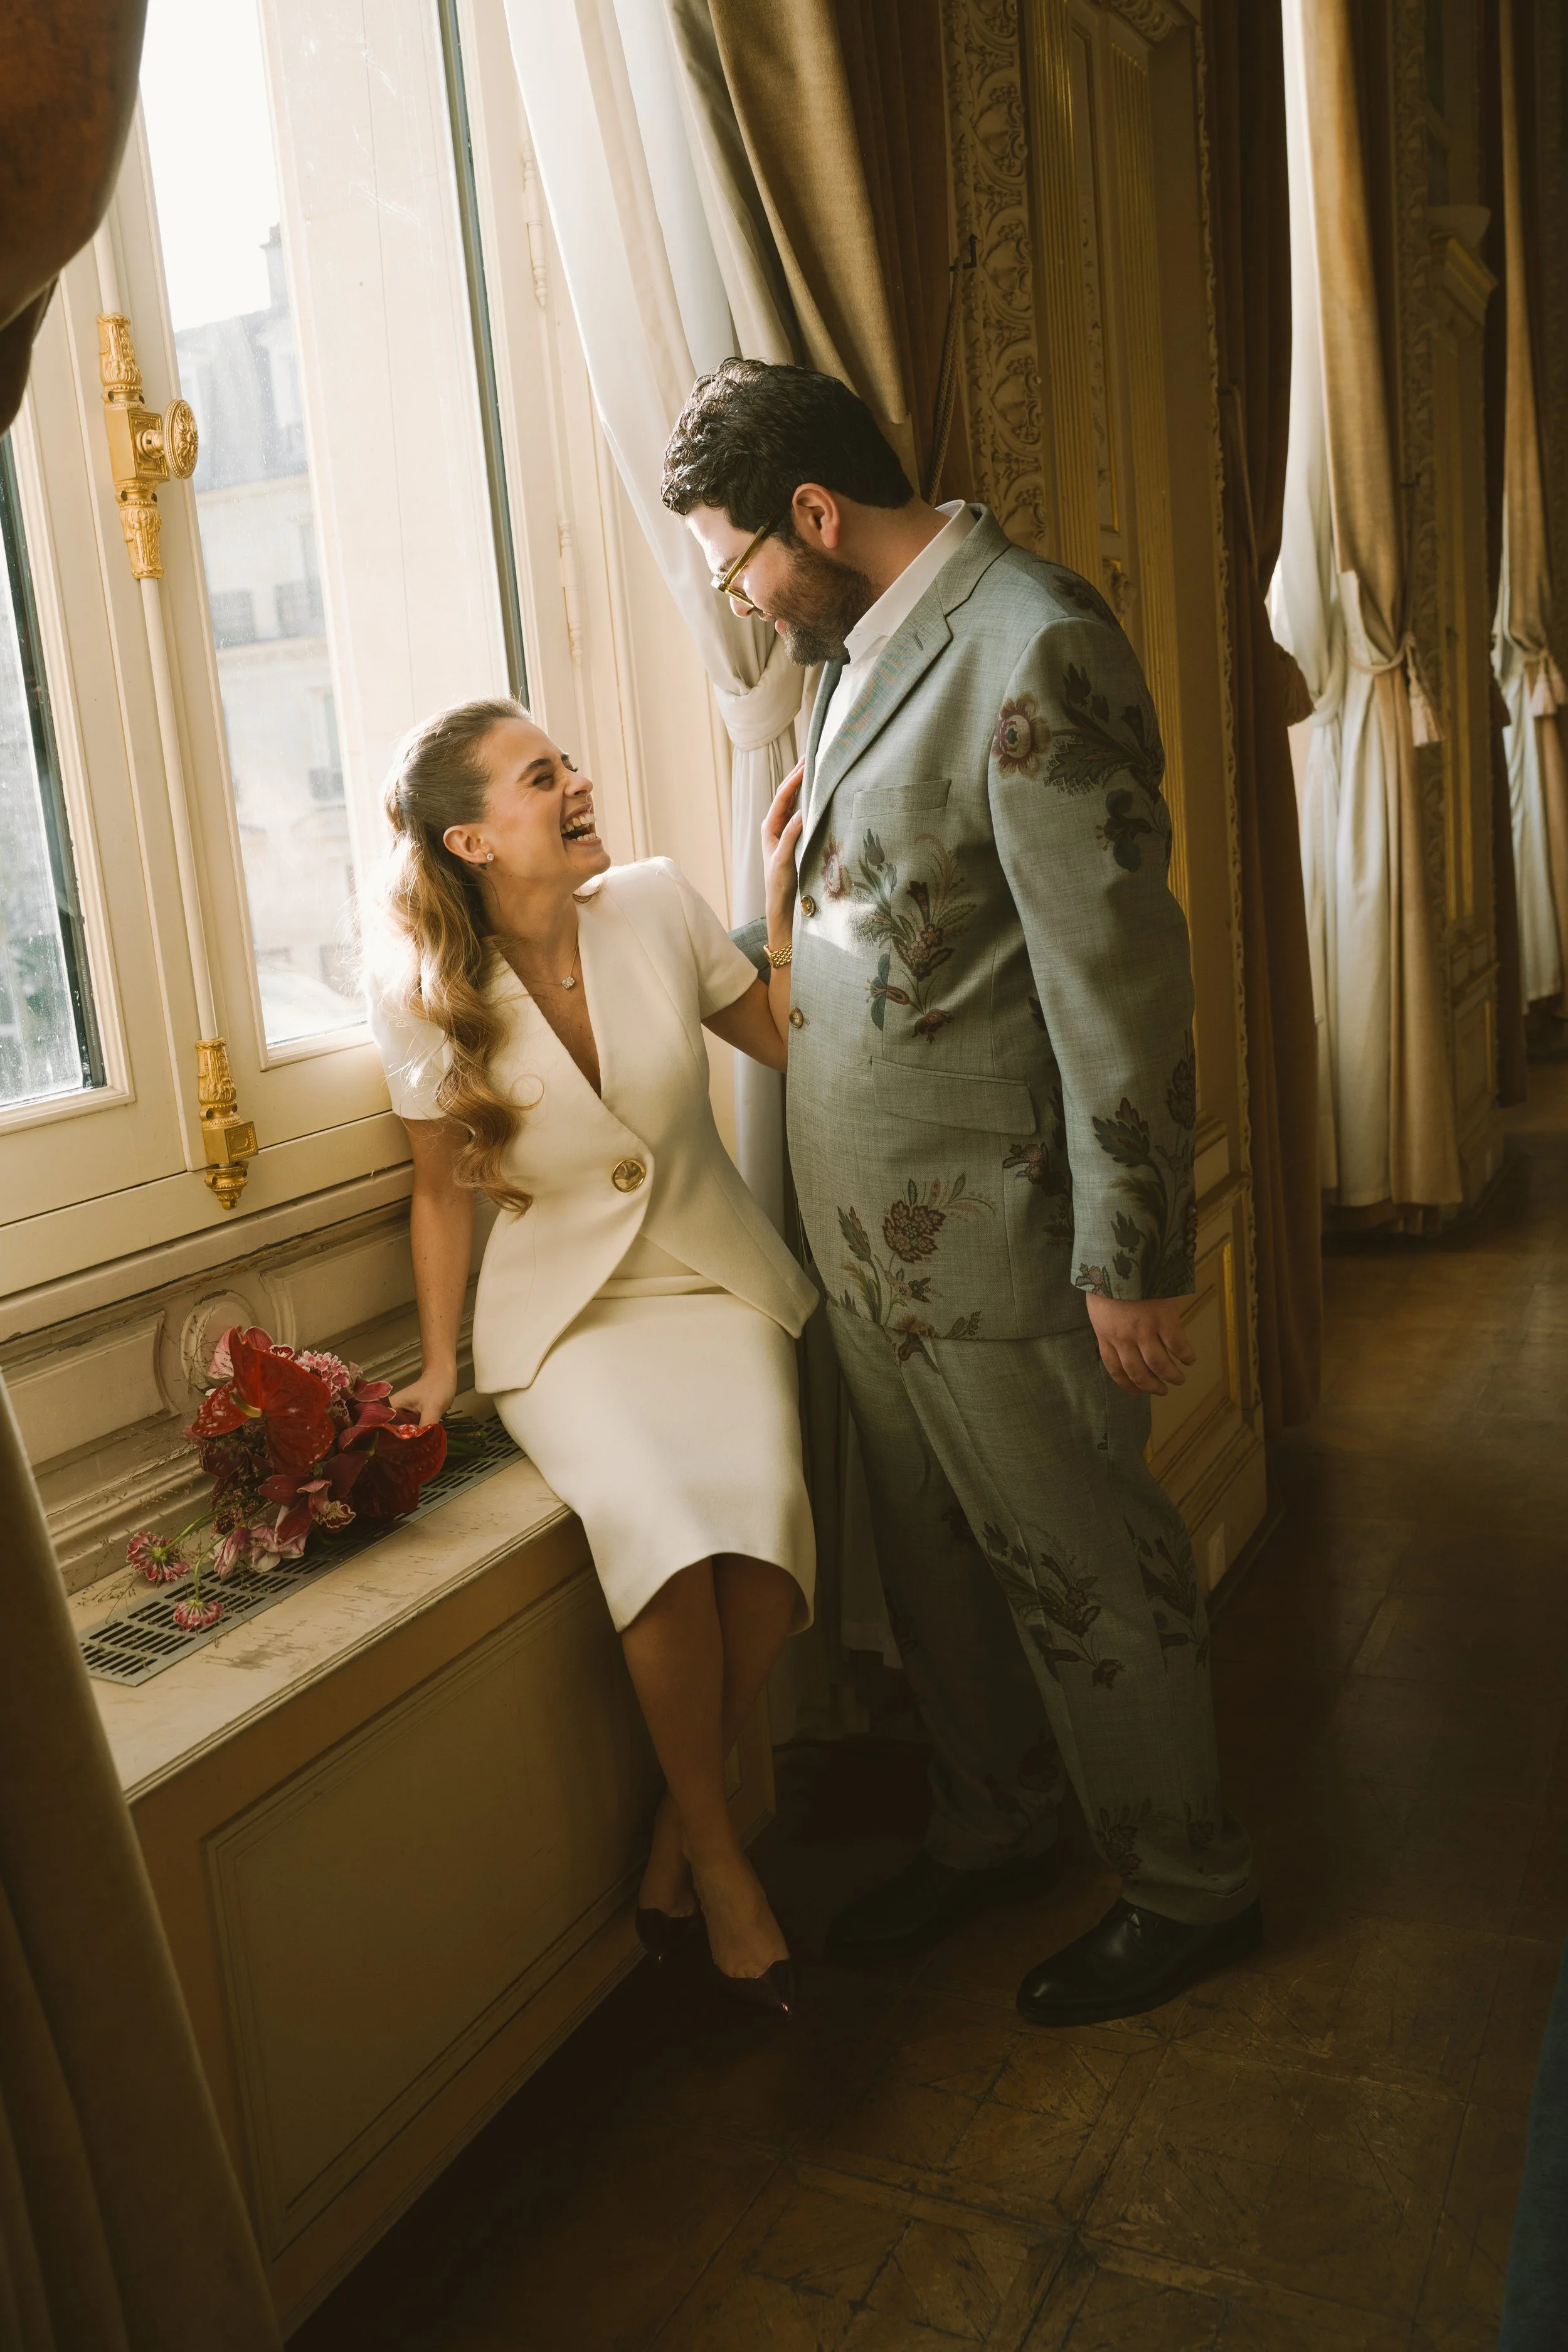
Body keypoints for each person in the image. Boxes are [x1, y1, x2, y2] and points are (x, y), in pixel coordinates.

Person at [664, 357, 1260, 2026]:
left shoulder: (1032, 637)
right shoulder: (848, 652)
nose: (740, 596)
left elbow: (1115, 981)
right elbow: (900, 935)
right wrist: (771, 903)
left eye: (737, 562)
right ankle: (993, 1823)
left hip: (1008, 1243)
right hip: (865, 1242)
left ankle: (1188, 1883)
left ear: (813, 512)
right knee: (938, 1572)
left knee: (1090, 1569)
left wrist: (1135, 1252)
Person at [365, 697, 818, 2013]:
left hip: (711, 1281)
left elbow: (787, 1040)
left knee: (762, 1548)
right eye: (537, 775)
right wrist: (441, 1369)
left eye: (564, 761)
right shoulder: (423, 999)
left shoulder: (661, 904)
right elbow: (441, 1193)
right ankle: (722, 1859)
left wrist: (778, 909)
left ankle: (678, 1831)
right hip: (568, 1326)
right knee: (667, 1543)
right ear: (471, 839)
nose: (574, 783)